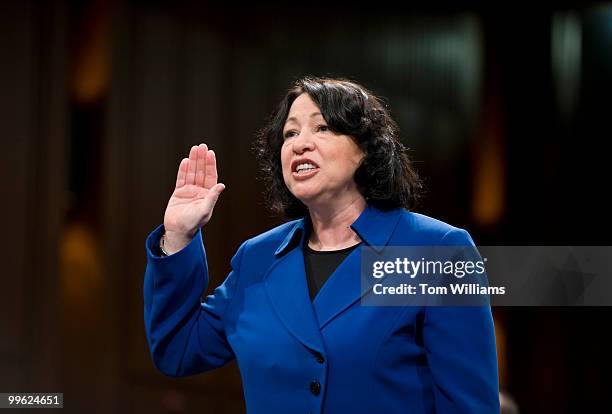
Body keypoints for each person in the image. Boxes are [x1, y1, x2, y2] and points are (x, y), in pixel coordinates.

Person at [144, 77, 500, 413]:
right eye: (290, 133)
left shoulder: (437, 250)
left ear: (364, 148)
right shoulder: (258, 258)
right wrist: (178, 237)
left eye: (322, 127)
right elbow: (178, 350)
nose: (299, 143)